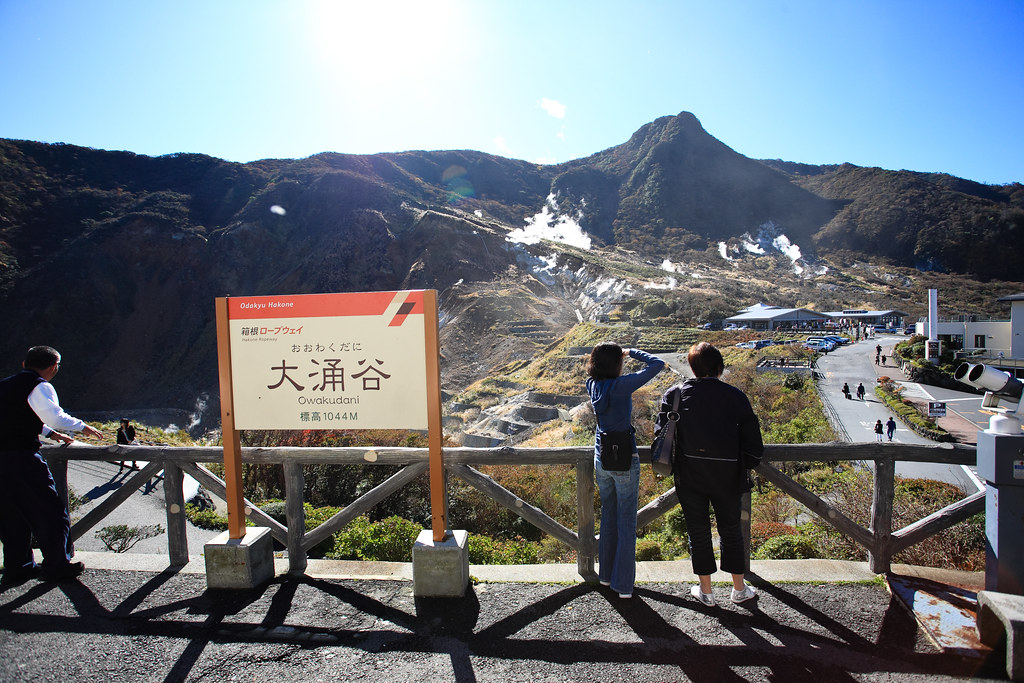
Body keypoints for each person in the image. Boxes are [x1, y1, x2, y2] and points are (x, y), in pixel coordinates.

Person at [656, 342, 763, 607]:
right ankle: (739, 589)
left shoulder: (675, 394)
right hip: (728, 474)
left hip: (689, 474)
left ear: (692, 368)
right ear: (719, 367)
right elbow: (753, 445)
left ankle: (706, 591)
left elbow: (660, 432)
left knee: (698, 530)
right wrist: (745, 464)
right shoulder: (735, 396)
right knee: (730, 530)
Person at [0, 346, 102, 585]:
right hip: (22, 458)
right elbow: (53, 415)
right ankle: (57, 565)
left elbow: (16, 416)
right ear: (53, 366)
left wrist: (49, 433)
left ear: (24, 364)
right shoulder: (40, 385)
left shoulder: (4, 385)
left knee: (11, 514)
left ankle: (19, 567)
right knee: (50, 512)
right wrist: (81, 427)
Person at [587, 343, 665, 599]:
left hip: (602, 459)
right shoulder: (621, 386)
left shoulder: (592, 385)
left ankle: (606, 577)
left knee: (608, 517)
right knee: (626, 521)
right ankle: (623, 585)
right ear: (616, 364)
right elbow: (657, 365)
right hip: (624, 459)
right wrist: (631, 352)